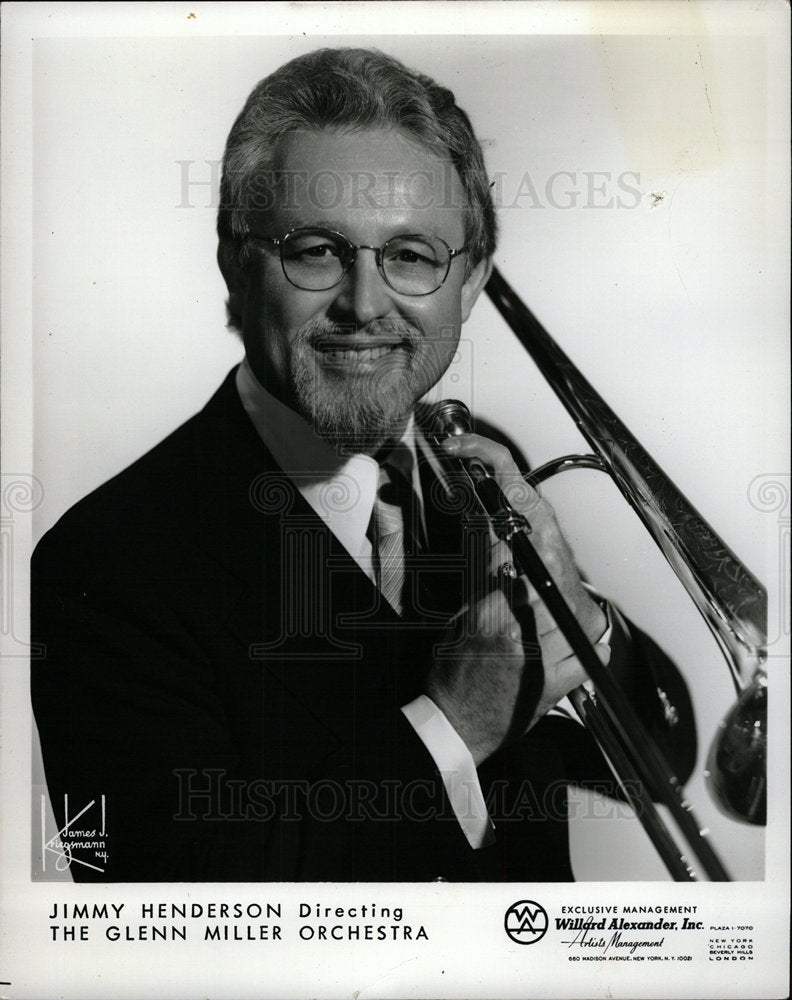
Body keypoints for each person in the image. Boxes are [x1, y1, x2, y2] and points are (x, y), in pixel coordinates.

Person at [31, 47, 695, 882]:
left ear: (472, 280)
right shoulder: (103, 563)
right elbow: (165, 918)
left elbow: (661, 766)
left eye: (412, 255)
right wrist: (453, 724)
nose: (366, 304)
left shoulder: (479, 471)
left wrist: (586, 627)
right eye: (317, 250)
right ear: (237, 267)